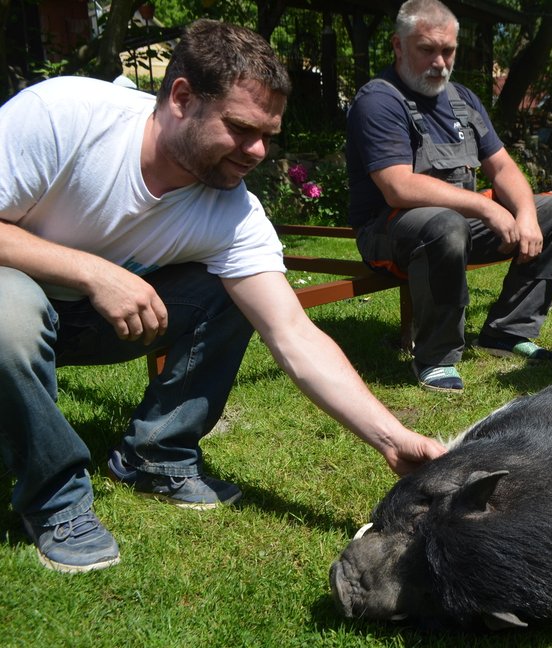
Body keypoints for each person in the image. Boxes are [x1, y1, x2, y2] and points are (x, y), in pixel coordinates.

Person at [0, 19, 445, 574]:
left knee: (232, 289)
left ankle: (156, 455)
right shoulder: (64, 116)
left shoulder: (233, 212)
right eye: (240, 128)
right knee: (7, 308)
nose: (257, 151)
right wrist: (92, 272)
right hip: (19, 311)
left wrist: (392, 439)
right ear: (181, 97)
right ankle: (55, 498)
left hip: (105, 325)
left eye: (268, 135)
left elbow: (293, 334)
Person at [345, 0, 552, 393]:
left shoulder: (463, 100)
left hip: (456, 226)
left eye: (447, 51)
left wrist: (525, 215)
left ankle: (506, 330)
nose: (439, 62)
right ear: (398, 46)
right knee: (446, 225)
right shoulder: (379, 101)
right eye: (427, 50)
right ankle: (436, 357)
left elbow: (502, 167)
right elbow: (397, 186)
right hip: (388, 230)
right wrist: (486, 207)